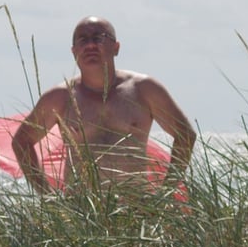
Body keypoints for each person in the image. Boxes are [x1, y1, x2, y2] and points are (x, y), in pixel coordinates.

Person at [12, 16, 196, 196]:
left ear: (116, 48)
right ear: (74, 51)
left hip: (135, 209)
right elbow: (22, 142)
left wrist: (166, 193)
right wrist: (47, 196)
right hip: (82, 211)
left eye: (99, 38)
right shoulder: (60, 97)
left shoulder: (144, 89)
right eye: (82, 40)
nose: (90, 45)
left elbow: (185, 135)